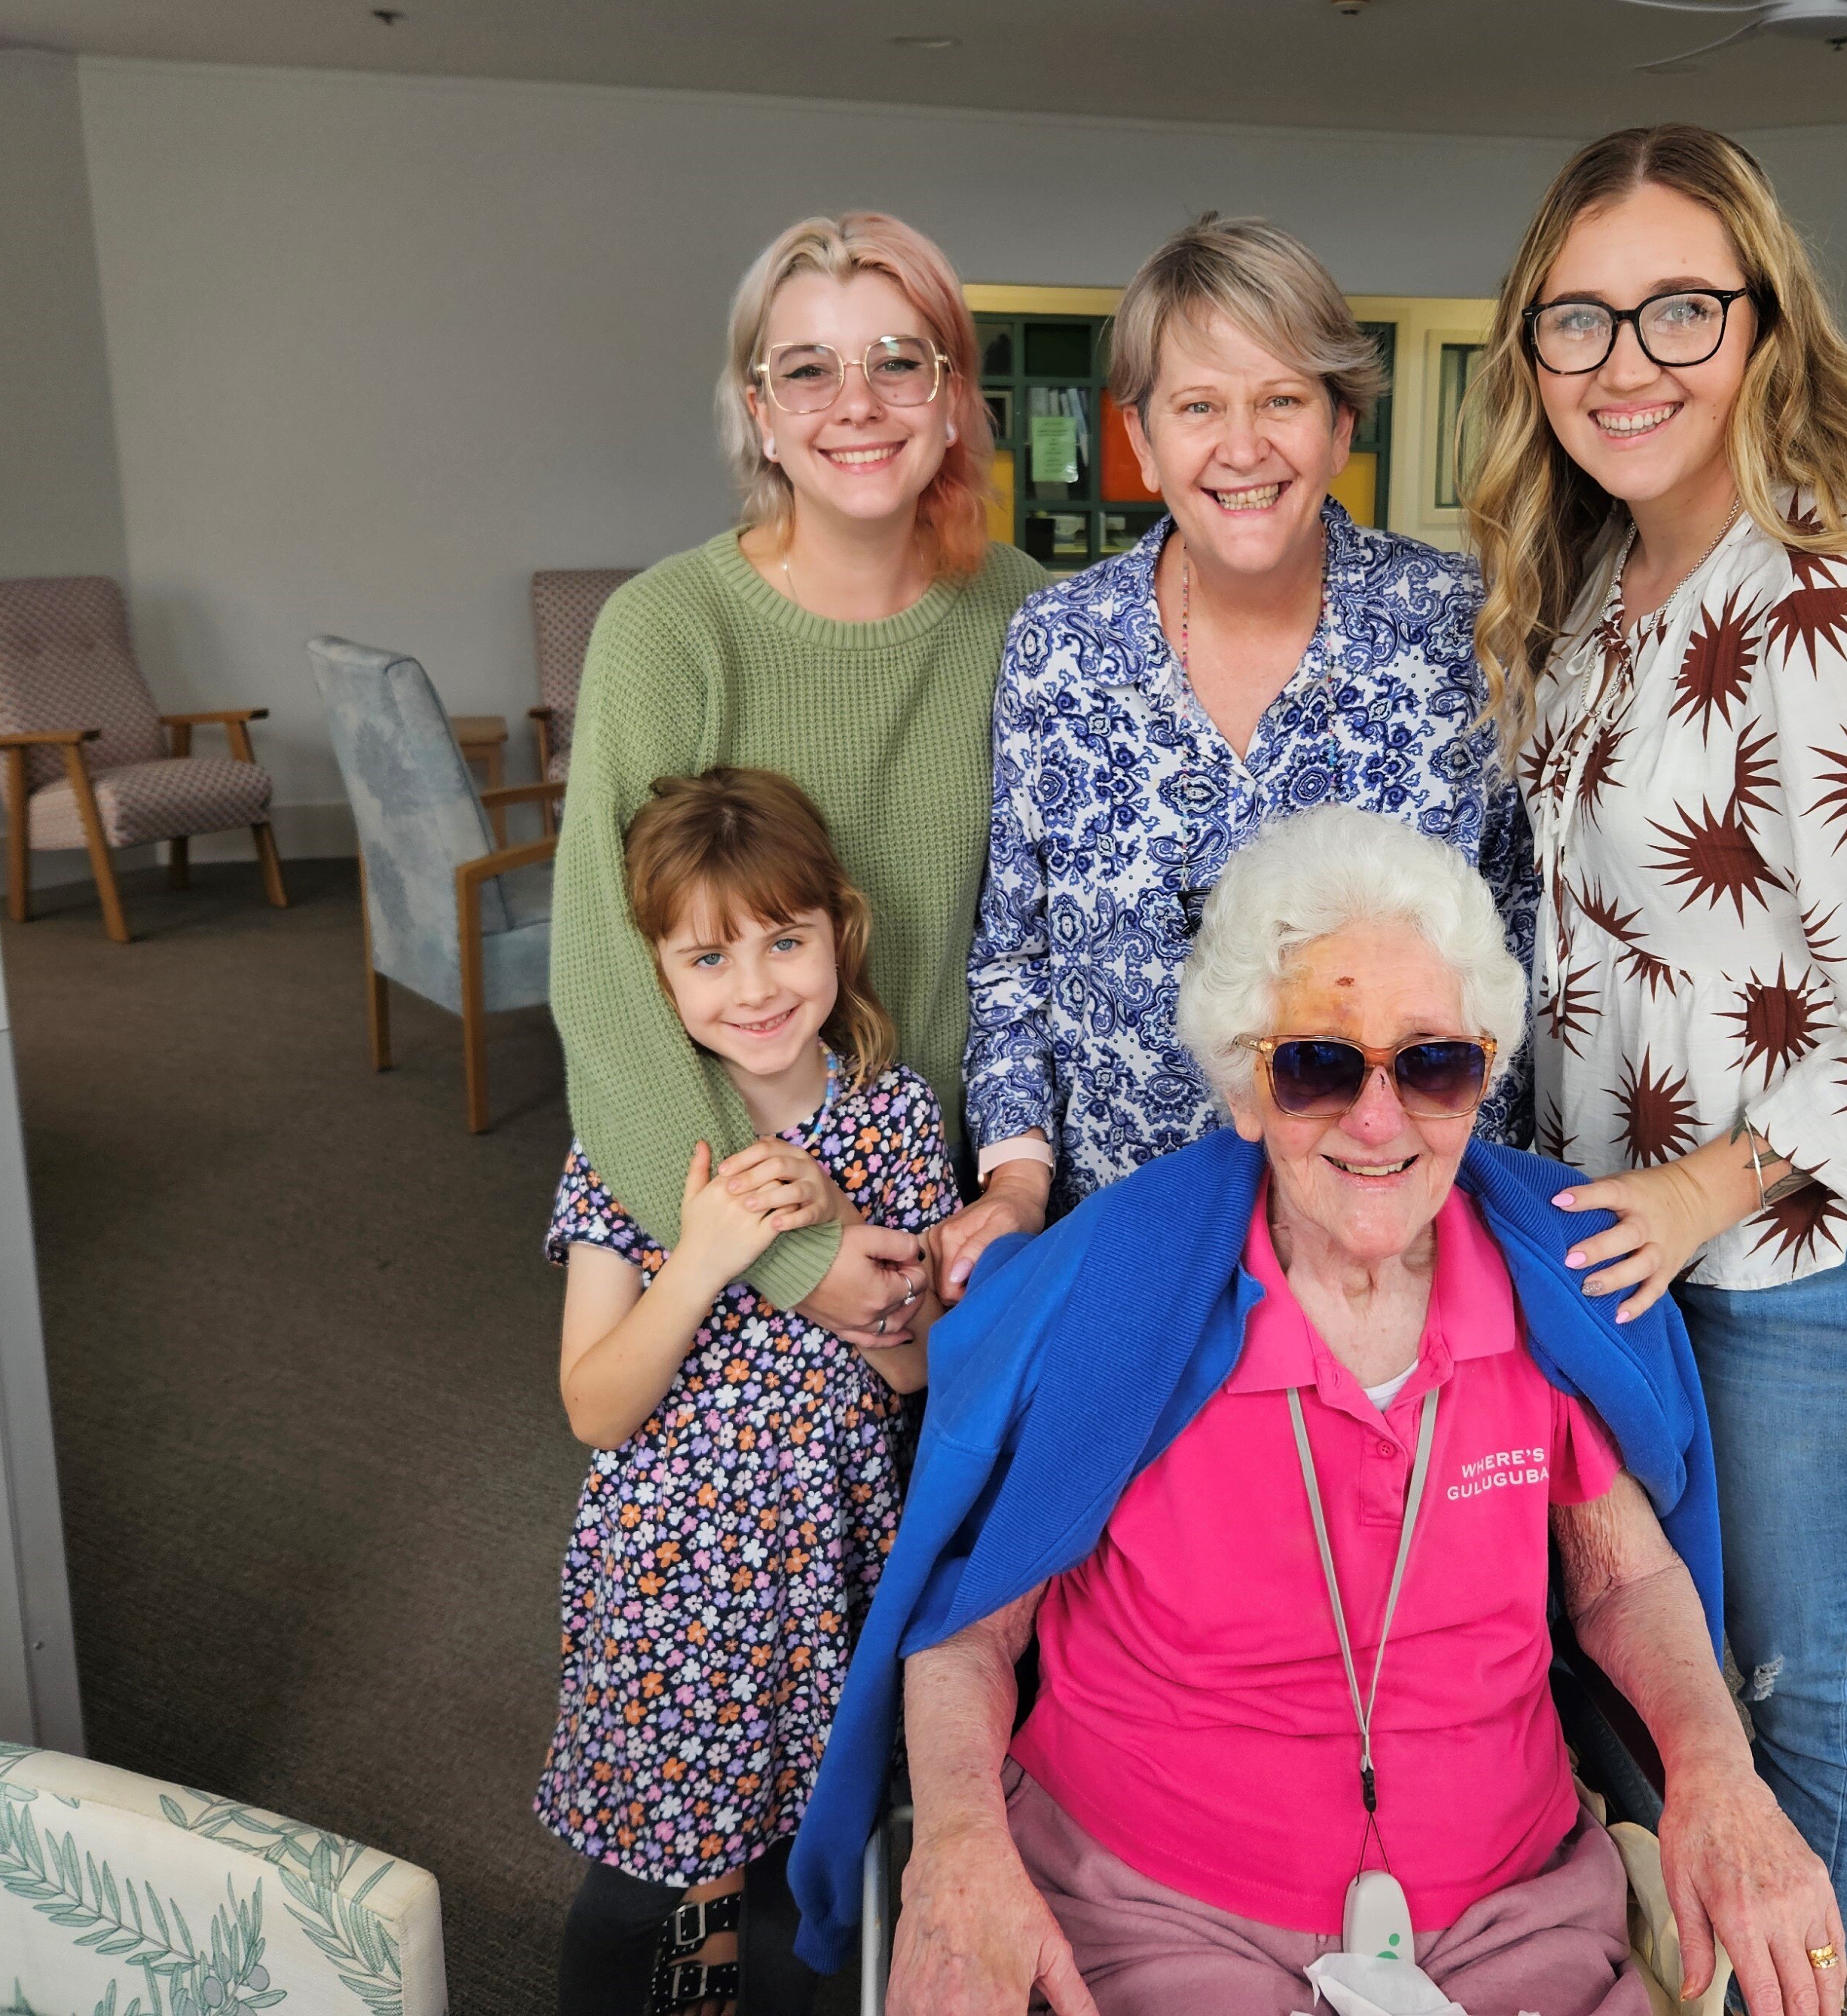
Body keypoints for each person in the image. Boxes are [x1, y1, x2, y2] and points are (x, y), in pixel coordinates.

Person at [792, 808, 1847, 2016]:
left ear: (1484, 1076)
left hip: (1509, 1907)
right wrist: (964, 1849)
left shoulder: (1555, 1287)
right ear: (1247, 1086)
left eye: (1434, 1064)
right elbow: (971, 1629)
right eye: (1319, 1067)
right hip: (1151, 1908)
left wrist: (1718, 1772)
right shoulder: (1123, 1295)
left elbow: (1625, 1582)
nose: (1380, 1119)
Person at [1464, 124, 1847, 1955]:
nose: (1624, 361)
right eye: (1577, 320)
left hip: (1830, 1284)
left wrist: (1699, 1184)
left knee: (1800, 1732)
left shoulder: (1833, 609)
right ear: (1529, 355)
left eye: (1675, 310)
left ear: (1762, 331)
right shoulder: (1592, 602)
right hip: (1651, 1259)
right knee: (1666, 1697)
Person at [943, 217, 1533, 1284]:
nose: (1243, 446)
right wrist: (1017, 1180)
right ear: (1142, 435)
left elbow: (1519, 937)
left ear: (1341, 421)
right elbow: (1013, 961)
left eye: (1282, 400)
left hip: (1391, 1247)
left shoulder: (1457, 631)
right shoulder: (1058, 647)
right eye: (1200, 406)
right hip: (1125, 1234)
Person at [551, 211, 1045, 1360]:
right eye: (808, 370)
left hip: (974, 1221)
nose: (856, 403)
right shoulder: (667, 633)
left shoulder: (1031, 615)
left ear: (954, 398)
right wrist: (789, 1250)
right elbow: (603, 983)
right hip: (735, 1207)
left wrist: (1011, 1198)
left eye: (898, 361)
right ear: (760, 412)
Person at [541, 769, 960, 2016]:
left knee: (802, 1865)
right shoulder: (637, 1131)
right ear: (658, 976)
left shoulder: (891, 1120)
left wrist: (840, 1229)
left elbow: (921, 1367)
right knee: (668, 1883)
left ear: (840, 929)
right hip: (674, 1580)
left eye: (787, 940)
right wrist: (717, 1256)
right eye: (709, 957)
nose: (759, 986)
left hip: (831, 1556)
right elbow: (594, 1407)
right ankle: (688, 1974)